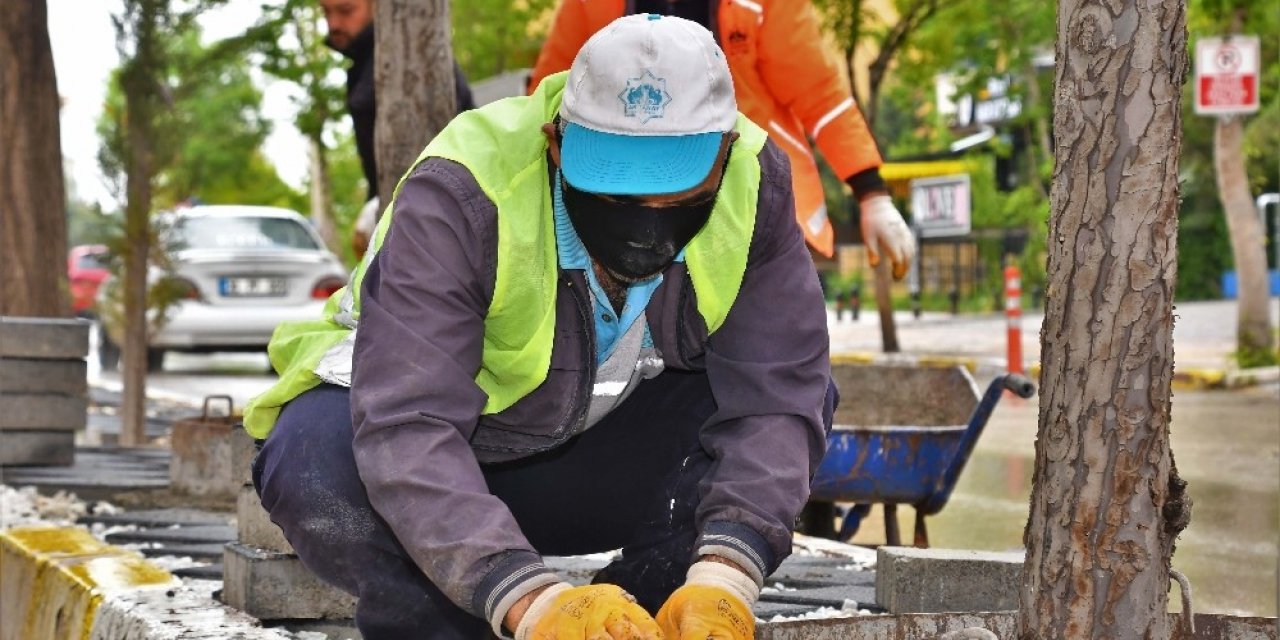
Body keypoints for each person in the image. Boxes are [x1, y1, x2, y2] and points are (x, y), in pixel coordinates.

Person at [244, 13, 834, 640]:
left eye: (675, 192)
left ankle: (637, 618)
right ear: (557, 143)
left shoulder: (754, 182)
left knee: (801, 400)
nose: (646, 222)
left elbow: (777, 395)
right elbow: (407, 422)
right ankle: (470, 616)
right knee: (315, 464)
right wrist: (531, 604)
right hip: (447, 467)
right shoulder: (465, 190)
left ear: (723, 153)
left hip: (590, 467)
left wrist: (725, 576)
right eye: (614, 191)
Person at [529, 0, 915, 279]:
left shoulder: (762, 6)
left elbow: (819, 93)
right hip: (633, 191)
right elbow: (552, 91)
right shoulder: (591, 5)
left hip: (756, 183)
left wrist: (871, 193)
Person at [319, 0, 476, 256]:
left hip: (433, 229)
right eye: (326, 12)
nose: (333, 24)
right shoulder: (363, 67)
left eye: (346, 11)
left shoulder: (407, 57)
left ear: (379, 7)